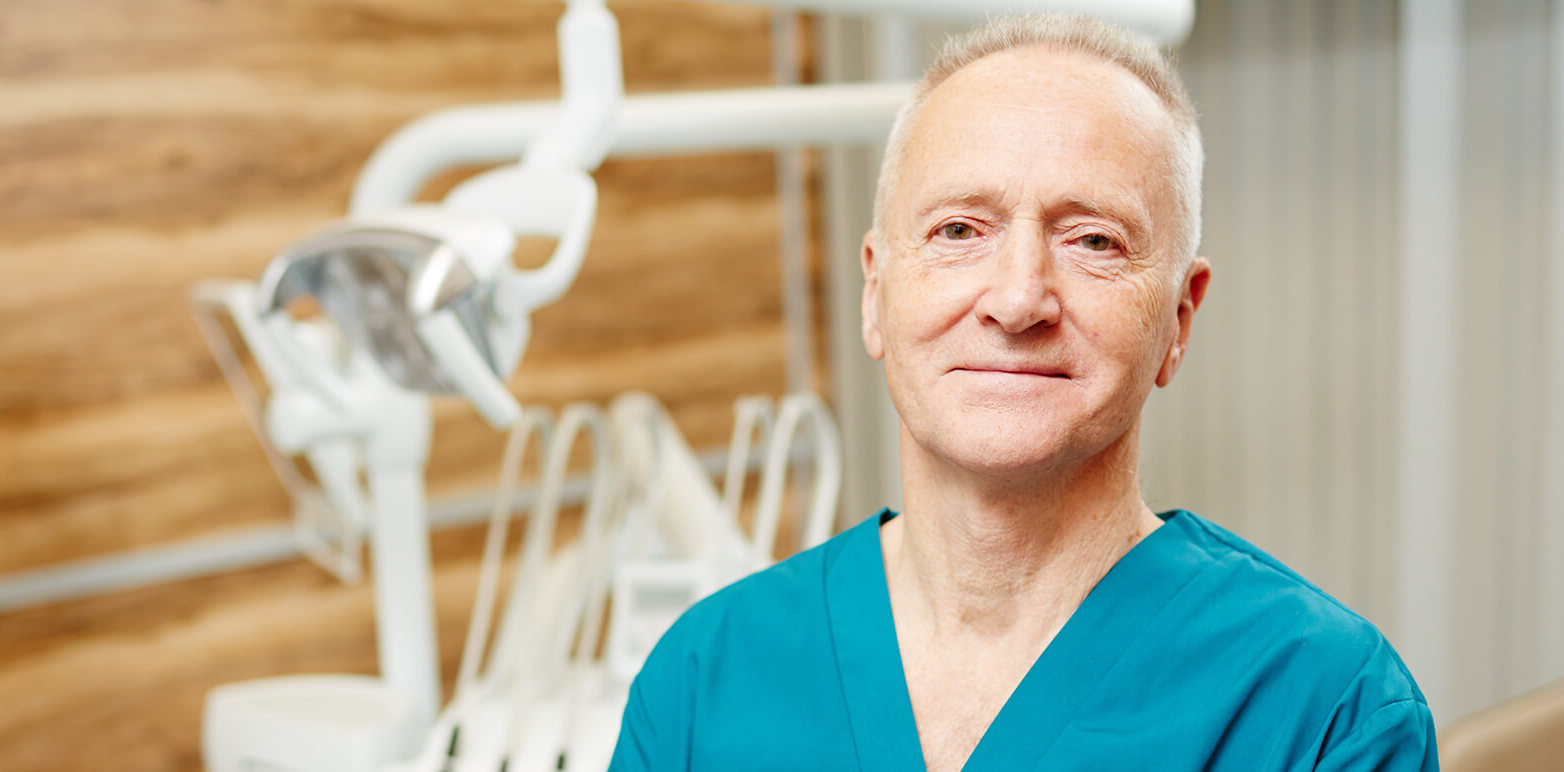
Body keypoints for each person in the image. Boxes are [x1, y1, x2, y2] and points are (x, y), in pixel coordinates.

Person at [608, 13, 1436, 772]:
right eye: (959, 230)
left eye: (1093, 241)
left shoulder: (1322, 708)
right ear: (874, 295)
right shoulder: (703, 683)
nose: (1016, 300)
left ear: (1178, 319)